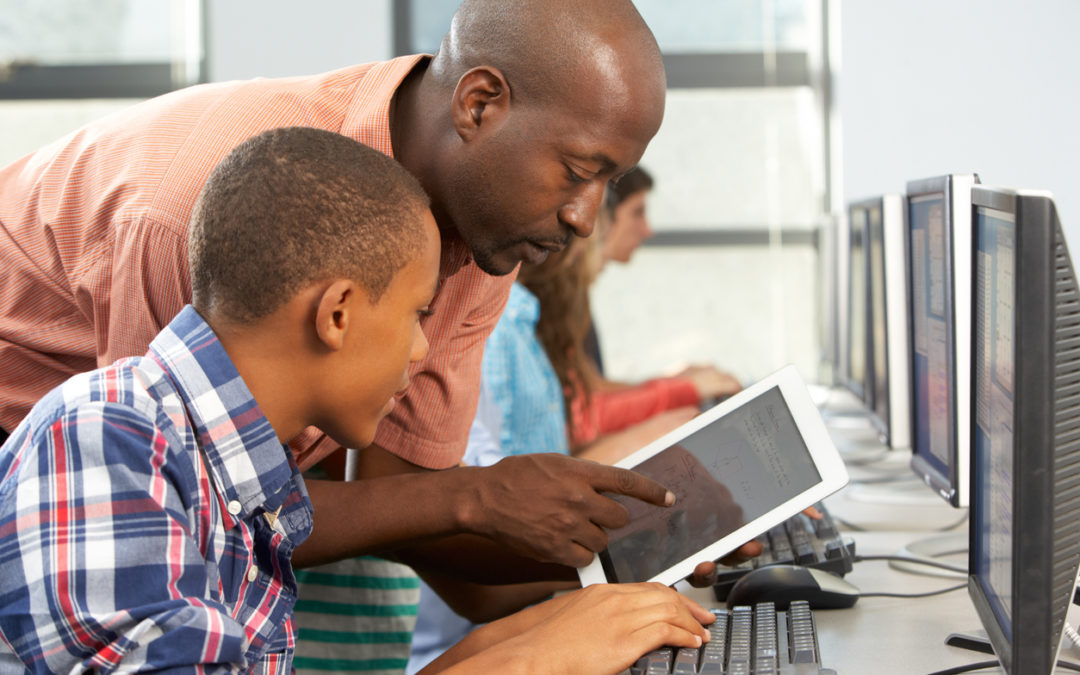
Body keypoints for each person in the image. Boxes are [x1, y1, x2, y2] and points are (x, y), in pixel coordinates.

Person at [0, 0, 682, 581]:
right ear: (479, 104)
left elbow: (399, 505)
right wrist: (472, 494)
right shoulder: (202, 212)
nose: (585, 219)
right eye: (576, 171)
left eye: (609, 183)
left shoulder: (485, 230)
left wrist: (642, 549)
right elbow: (187, 512)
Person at [0, 127, 717, 674]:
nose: (419, 350)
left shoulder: (243, 478)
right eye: (416, 314)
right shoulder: (104, 436)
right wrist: (526, 661)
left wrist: (536, 638)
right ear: (338, 313)